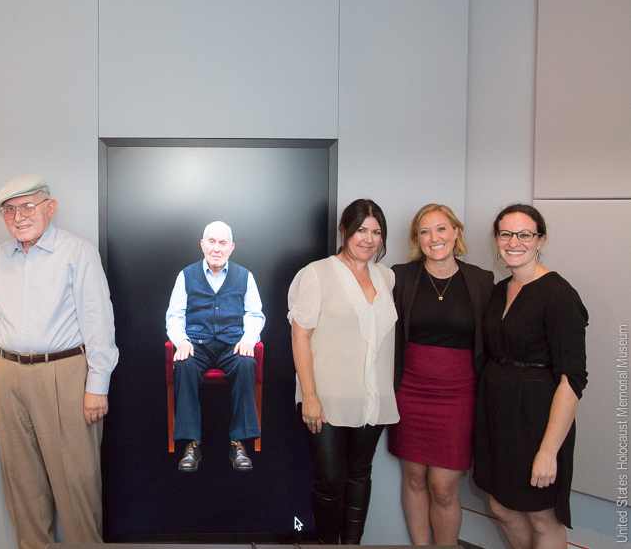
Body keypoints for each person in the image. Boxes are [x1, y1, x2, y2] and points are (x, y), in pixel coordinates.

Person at [0, 174, 118, 549]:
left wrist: (97, 386)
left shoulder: (77, 251)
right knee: (21, 483)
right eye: (9, 210)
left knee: (76, 483)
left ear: (50, 207)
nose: (19, 216)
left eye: (28, 206)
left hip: (64, 373)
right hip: (8, 374)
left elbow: (98, 320)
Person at [473, 204, 587, 549]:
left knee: (542, 515)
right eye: (506, 234)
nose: (514, 242)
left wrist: (548, 450)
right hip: (497, 415)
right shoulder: (500, 289)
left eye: (525, 234)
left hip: (537, 419)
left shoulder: (560, 295)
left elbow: (572, 379)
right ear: (496, 239)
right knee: (500, 505)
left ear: (541, 240)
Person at [288, 199, 398, 544]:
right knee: (330, 480)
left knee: (359, 476)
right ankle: (326, 544)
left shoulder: (387, 276)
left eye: (376, 231)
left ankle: (351, 544)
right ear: (344, 231)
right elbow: (300, 336)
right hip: (325, 398)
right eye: (361, 230)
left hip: (372, 398)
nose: (368, 238)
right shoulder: (316, 274)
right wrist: (309, 396)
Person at [386, 204, 494, 545]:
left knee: (444, 488)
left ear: (456, 232)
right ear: (417, 239)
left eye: (442, 229)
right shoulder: (401, 276)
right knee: (415, 478)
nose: (435, 238)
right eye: (425, 231)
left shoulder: (480, 280)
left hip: (460, 393)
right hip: (411, 390)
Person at [165, 221, 265, 471]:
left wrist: (248, 339)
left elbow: (255, 314)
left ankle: (238, 442)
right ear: (202, 245)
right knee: (184, 364)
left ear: (231, 248)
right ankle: (191, 444)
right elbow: (174, 315)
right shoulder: (186, 275)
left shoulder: (245, 276)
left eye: (222, 243)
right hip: (197, 343)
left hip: (233, 343)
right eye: (212, 242)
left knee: (245, 363)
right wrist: (181, 341)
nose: (217, 248)